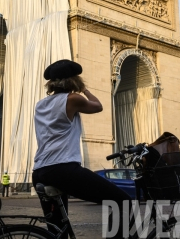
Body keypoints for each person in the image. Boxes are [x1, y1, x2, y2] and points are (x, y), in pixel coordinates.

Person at [32, 59, 133, 239]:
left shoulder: (40, 105)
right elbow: (98, 106)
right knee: (122, 202)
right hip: (63, 168)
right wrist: (83, 88)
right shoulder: (73, 99)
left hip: (40, 170)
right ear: (73, 81)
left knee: (56, 230)